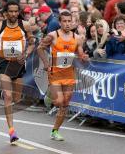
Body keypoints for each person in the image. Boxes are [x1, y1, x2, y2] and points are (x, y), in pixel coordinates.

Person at [0, 0, 35, 143]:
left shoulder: (25, 25)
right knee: (8, 96)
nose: (13, 14)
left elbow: (32, 43)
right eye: (10, 11)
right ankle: (11, 130)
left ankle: (7, 95)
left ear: (18, 12)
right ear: (6, 13)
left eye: (15, 11)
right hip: (3, 63)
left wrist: (26, 53)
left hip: (18, 64)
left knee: (16, 99)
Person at [37, 11, 88, 141]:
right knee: (58, 101)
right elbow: (40, 48)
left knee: (65, 103)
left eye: (69, 21)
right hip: (55, 73)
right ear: (60, 22)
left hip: (69, 74)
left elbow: (80, 53)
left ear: (72, 22)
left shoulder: (77, 38)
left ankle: (55, 131)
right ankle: (49, 96)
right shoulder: (53, 35)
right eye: (64, 21)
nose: (67, 24)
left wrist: (83, 57)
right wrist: (46, 63)